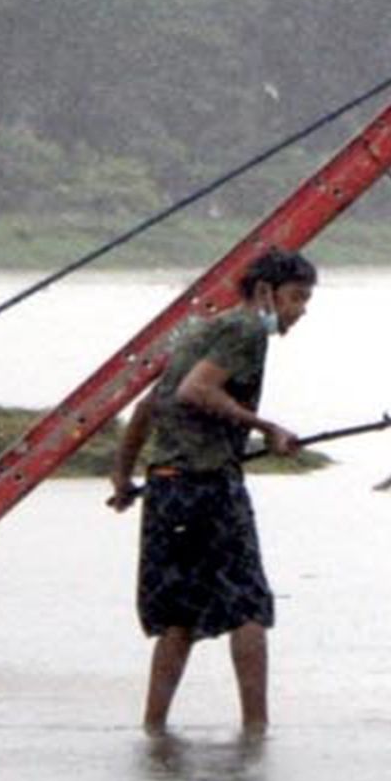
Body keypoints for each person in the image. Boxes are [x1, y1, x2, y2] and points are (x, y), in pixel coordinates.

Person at [106, 247, 315, 732]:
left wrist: (122, 474)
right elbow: (195, 391)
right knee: (249, 608)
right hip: (208, 486)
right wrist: (267, 426)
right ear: (265, 293)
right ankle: (257, 732)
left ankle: (154, 730)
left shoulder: (201, 329)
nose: (301, 310)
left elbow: (148, 406)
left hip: (166, 488)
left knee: (179, 617)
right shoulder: (246, 330)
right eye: (296, 298)